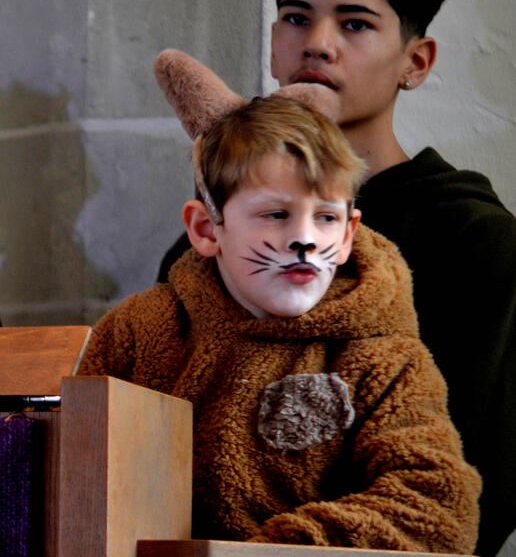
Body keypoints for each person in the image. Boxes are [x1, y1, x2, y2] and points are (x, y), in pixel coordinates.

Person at [156, 0, 515, 555]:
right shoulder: (206, 242)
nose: (317, 43)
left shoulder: (475, 239)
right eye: (296, 18)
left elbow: (478, 476)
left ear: (417, 60)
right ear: (272, 43)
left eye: (354, 23)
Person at [86, 52, 480, 550]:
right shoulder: (138, 333)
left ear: (348, 233)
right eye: (275, 214)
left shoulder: (386, 360)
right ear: (207, 229)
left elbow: (437, 506)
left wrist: (277, 551)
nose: (304, 241)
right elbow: (79, 467)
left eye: (326, 218)